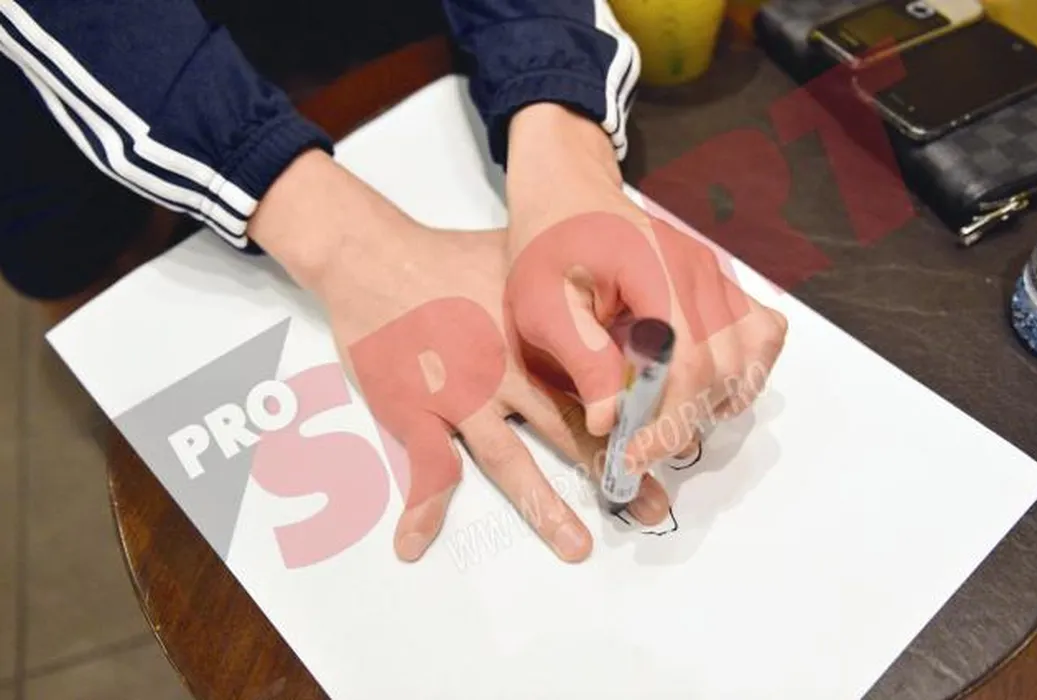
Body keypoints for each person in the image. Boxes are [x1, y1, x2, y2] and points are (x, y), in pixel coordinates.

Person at [0, 0, 787, 564]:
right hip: (90, 58)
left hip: (386, 32)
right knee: (84, 273)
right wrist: (350, 245)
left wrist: (561, 136)